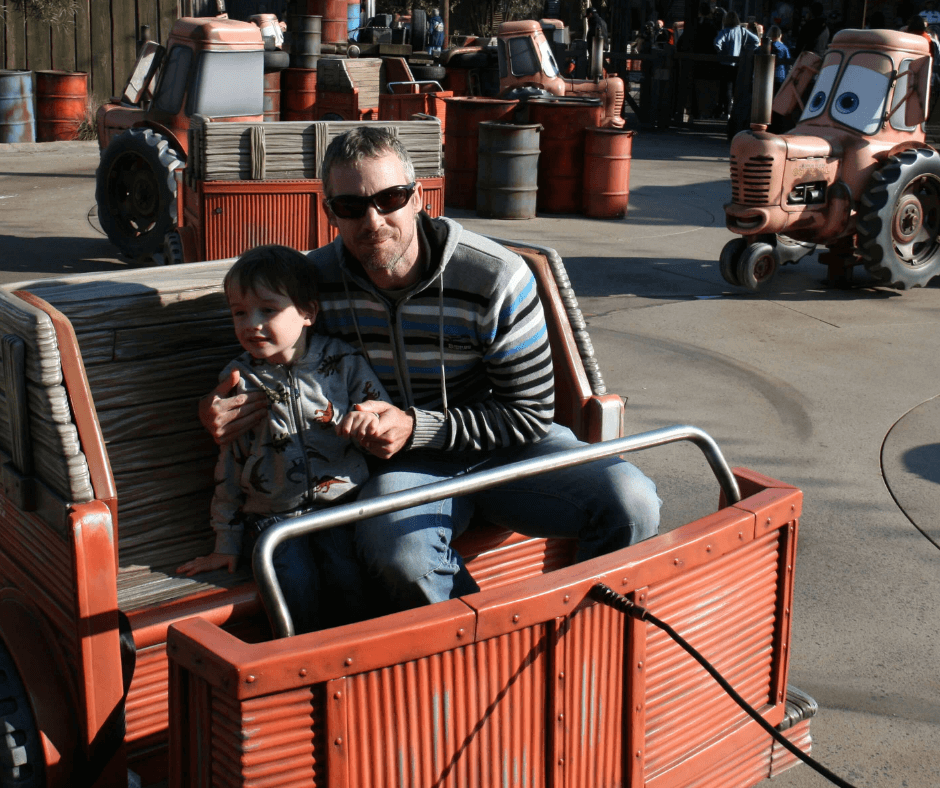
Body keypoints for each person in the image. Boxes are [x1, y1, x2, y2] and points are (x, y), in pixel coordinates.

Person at [201, 127, 662, 615]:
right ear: (329, 211)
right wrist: (217, 409)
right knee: (402, 555)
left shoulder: (493, 278)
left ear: (418, 197)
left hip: (507, 450)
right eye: (351, 207)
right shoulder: (313, 287)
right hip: (406, 469)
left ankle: (592, 638)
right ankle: (479, 657)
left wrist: (414, 426)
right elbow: (267, 360)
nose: (373, 221)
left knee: (631, 500)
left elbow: (528, 416)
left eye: (390, 198)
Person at [179, 244, 391, 632]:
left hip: (341, 508)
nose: (251, 324)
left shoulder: (343, 362)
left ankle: (356, 668)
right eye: (239, 313)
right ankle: (300, 670)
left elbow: (381, 413)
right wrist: (226, 541)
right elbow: (230, 462)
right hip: (272, 520)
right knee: (294, 590)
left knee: (350, 581)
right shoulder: (239, 381)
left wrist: (369, 424)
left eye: (268, 310)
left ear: (308, 313)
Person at [714, 10, 760, 118]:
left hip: (725, 63)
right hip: (738, 64)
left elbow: (717, 43)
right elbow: (756, 41)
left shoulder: (725, 32)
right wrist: (747, 50)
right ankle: (735, 111)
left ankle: (726, 111)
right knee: (737, 88)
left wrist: (721, 52)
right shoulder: (742, 31)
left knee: (726, 88)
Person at [768, 24, 791, 93]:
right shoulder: (784, 48)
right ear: (780, 35)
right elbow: (788, 63)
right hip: (780, 75)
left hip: (767, 75)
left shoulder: (767, 47)